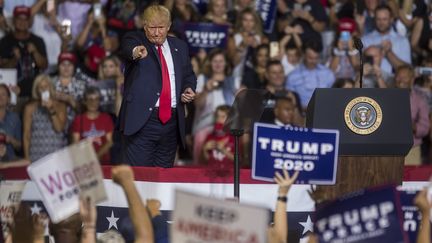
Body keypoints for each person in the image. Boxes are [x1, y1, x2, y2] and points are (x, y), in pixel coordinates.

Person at [118, 4, 196, 167]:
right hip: (143, 122)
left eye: (161, 27)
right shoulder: (135, 40)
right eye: (152, 27)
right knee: (139, 176)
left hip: (172, 123)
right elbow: (127, 48)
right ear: (144, 26)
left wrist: (188, 88)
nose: (156, 32)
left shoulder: (180, 47)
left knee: (163, 179)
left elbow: (189, 75)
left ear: (169, 26)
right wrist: (135, 52)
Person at [23, 74, 67, 162]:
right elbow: (26, 135)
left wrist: (51, 109)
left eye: (46, 86)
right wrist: (27, 157)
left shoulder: (60, 106)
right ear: (37, 90)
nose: (43, 89)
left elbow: (59, 128)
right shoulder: (30, 108)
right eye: (40, 87)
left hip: (56, 154)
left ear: (50, 87)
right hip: (36, 155)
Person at [395, 65, 430, 165]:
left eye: (404, 77)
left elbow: (425, 128)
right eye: (398, 76)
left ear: (412, 79)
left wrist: (412, 126)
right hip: (390, 149)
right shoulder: (386, 98)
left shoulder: (420, 100)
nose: (400, 80)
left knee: (412, 179)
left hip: (412, 149)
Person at [71, 87, 114, 165]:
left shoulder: (106, 118)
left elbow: (110, 141)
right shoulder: (78, 119)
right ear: (85, 102)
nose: (93, 103)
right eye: (90, 99)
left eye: (96, 99)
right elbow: (76, 143)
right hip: (84, 163)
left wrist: (96, 156)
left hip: (104, 163)